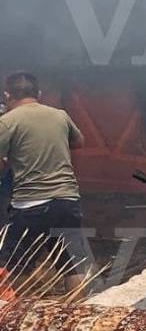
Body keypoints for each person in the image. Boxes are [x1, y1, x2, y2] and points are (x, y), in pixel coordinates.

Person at [0, 72, 91, 293]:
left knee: (11, 265)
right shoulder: (60, 115)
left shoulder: (7, 121)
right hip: (67, 200)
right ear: (39, 94)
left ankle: (13, 311)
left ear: (7, 95)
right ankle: (79, 310)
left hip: (31, 205)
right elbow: (79, 142)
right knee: (72, 265)